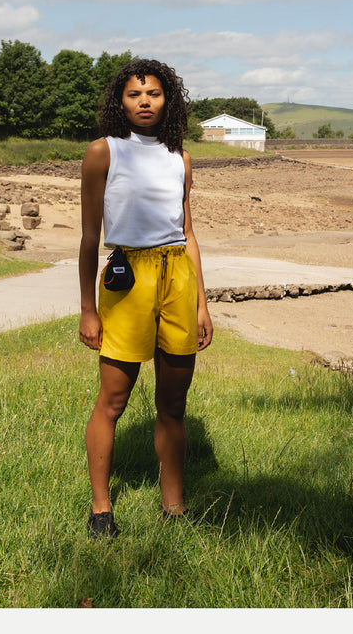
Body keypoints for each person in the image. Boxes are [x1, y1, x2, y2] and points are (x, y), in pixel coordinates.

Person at [78, 59, 213, 539]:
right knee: (113, 399)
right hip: (127, 277)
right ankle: (100, 510)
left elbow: (188, 232)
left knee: (173, 403)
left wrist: (201, 302)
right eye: (135, 95)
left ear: (167, 99)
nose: (144, 102)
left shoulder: (181, 156)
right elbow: (90, 238)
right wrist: (88, 309)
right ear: (121, 101)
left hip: (177, 274)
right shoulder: (103, 152)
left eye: (153, 94)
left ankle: (173, 508)